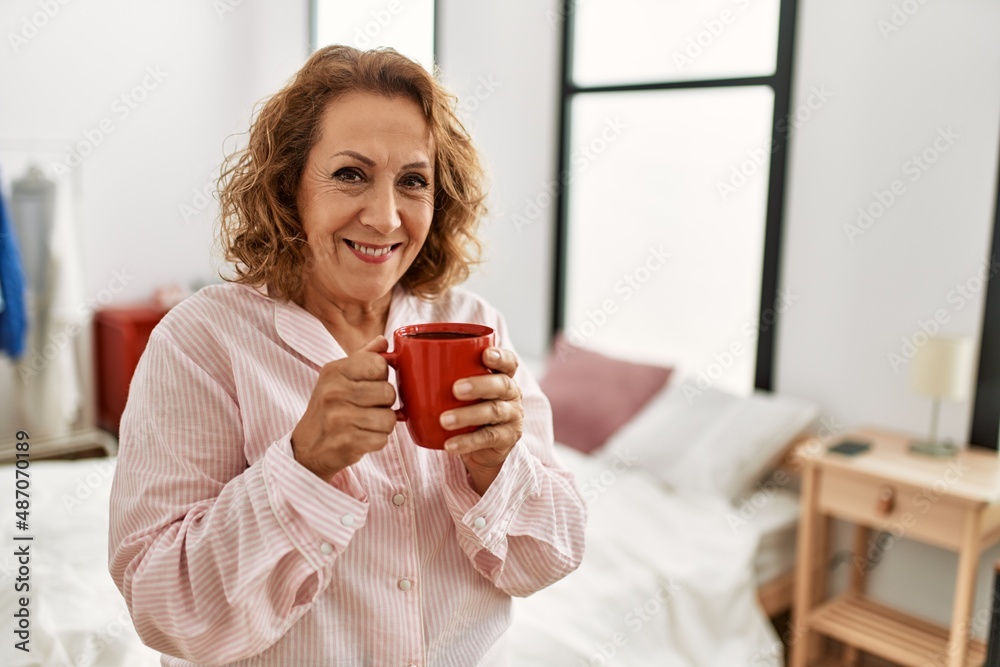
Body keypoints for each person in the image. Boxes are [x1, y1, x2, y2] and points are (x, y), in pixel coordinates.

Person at [108, 45, 586, 666]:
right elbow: (165, 606)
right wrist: (302, 464)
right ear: (289, 186)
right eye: (351, 174)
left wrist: (499, 468)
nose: (386, 217)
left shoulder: (473, 324)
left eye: (413, 181)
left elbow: (548, 556)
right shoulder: (201, 342)